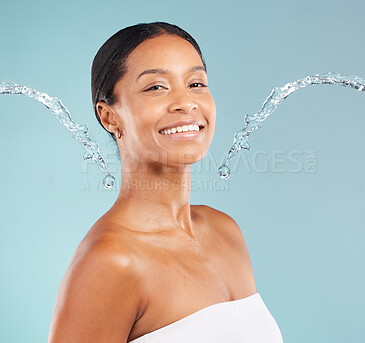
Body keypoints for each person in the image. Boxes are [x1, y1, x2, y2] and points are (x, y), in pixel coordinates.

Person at [47, 22, 283, 343]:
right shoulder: (111, 261)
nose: (186, 102)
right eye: (156, 87)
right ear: (109, 117)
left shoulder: (225, 230)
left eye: (196, 83)